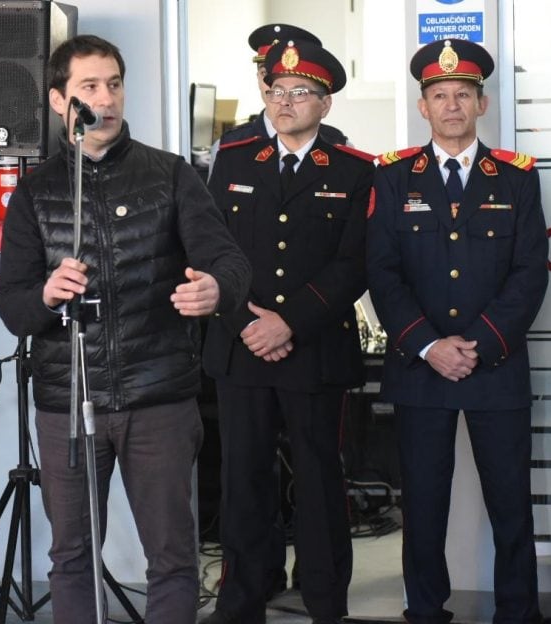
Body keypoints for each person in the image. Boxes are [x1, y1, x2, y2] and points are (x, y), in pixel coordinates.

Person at [0, 35, 251, 624]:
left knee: (172, 558)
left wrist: (217, 290)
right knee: (72, 557)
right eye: (89, 87)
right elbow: (13, 307)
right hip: (68, 403)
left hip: (157, 397)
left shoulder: (171, 174)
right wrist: (44, 295)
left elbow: (231, 263)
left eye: (113, 84)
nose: (105, 99)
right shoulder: (36, 192)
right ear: (61, 100)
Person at [366, 39, 548, 624]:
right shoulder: (393, 177)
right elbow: (382, 273)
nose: (451, 105)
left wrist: (480, 345)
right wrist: (428, 344)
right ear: (424, 107)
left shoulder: (516, 179)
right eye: (440, 95)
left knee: (510, 504)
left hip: (494, 366)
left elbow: (530, 272)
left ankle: (517, 613)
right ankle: (424, 611)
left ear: (482, 104)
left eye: (462, 95)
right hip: (421, 369)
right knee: (422, 504)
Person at [202, 40, 375, 624]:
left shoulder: (355, 170)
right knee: (244, 481)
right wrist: (247, 321)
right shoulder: (232, 158)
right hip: (241, 346)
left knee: (322, 482)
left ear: (324, 104)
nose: (285, 101)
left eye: (300, 93)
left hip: (315, 348)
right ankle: (242, 603)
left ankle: (327, 604)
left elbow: (354, 264)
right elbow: (210, 249)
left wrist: (288, 322)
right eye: (277, 90)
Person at [208, 23, 348, 178]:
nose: (275, 88)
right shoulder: (227, 148)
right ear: (257, 78)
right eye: (266, 74)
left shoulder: (338, 144)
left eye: (298, 89)